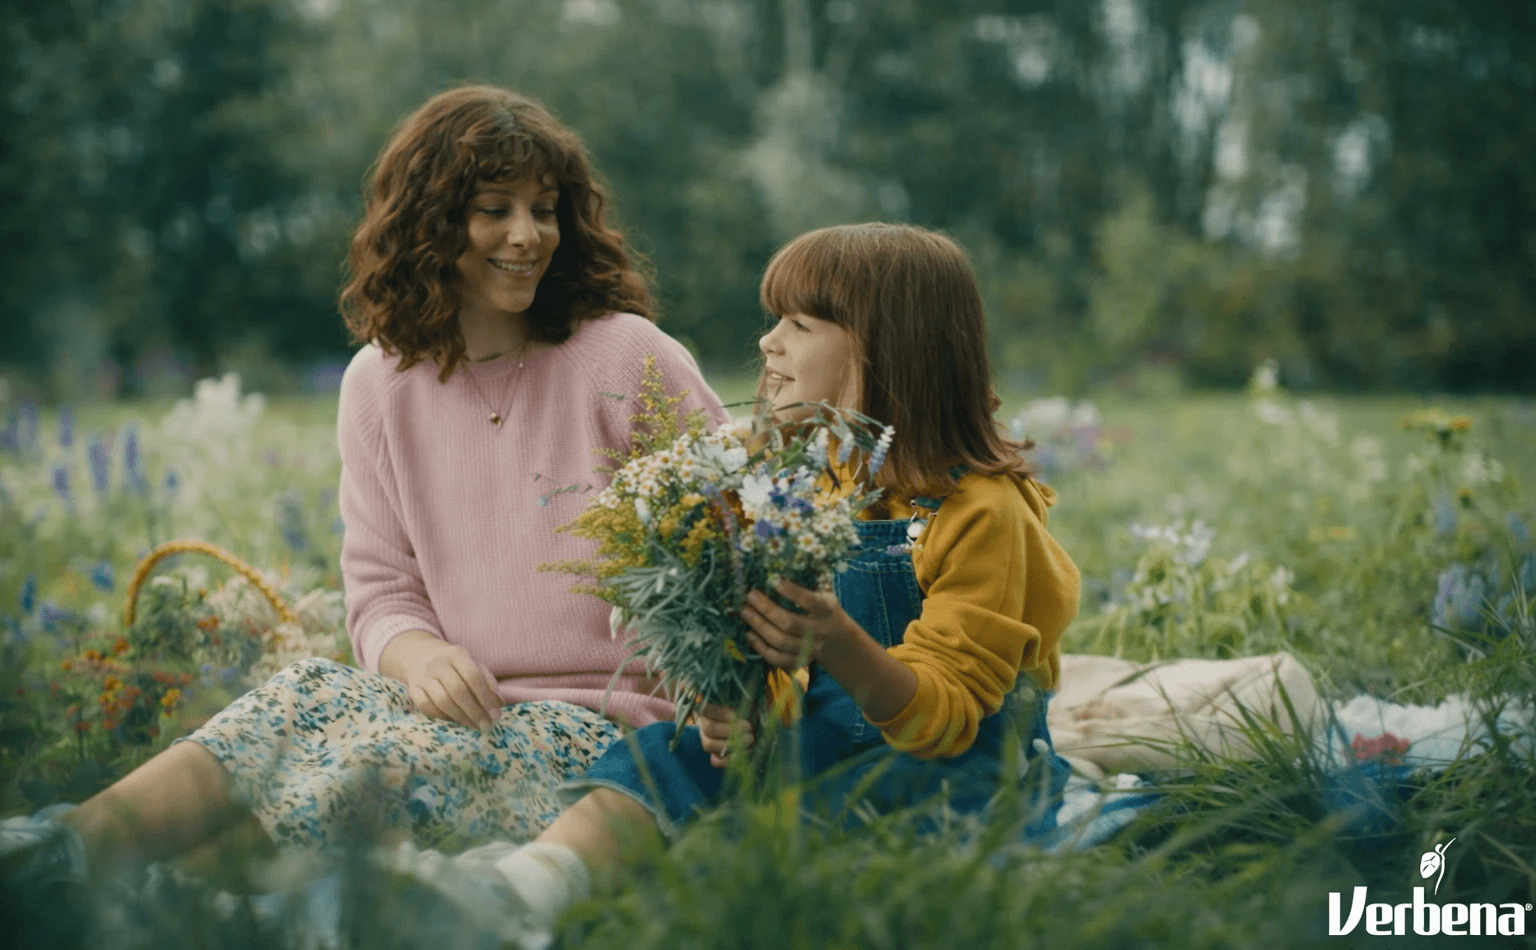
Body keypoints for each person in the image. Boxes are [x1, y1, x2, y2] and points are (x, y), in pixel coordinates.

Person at [0, 85, 728, 885]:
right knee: (300, 695)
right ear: (431, 223)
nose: (528, 236)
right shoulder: (378, 384)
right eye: (495, 210)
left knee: (362, 767)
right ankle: (59, 854)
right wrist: (417, 658)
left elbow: (740, 535)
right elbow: (381, 592)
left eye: (544, 210)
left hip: (609, 733)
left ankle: (139, 892)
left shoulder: (628, 357)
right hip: (455, 708)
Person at [393, 222, 1082, 946]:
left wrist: (838, 641)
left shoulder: (983, 514)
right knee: (667, 755)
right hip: (826, 746)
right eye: (774, 319)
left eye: (799, 324)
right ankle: (522, 889)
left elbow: (946, 720)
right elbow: (792, 674)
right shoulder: (807, 481)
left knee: (810, 818)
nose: (768, 342)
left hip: (961, 776)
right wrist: (750, 712)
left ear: (884, 351)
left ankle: (659, 901)